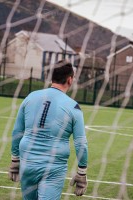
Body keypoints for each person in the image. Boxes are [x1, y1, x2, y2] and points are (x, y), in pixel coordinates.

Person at [8, 60, 88, 199]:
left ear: (52, 77)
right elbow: (81, 143)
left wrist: (15, 160)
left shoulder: (30, 97)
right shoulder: (73, 107)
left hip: (27, 162)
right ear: (70, 79)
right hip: (53, 168)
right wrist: (81, 173)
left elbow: (17, 132)